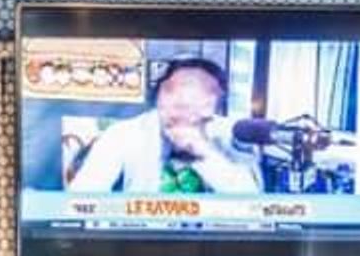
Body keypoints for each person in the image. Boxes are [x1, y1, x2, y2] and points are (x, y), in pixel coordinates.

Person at [68, 58, 263, 195]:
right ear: (158, 96)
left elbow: (254, 205)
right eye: (171, 92)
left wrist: (205, 154)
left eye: (197, 95)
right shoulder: (123, 134)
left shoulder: (233, 133)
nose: (181, 102)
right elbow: (80, 199)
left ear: (215, 105)